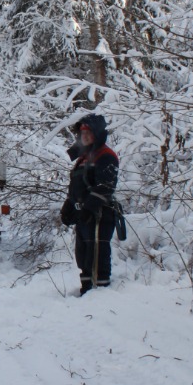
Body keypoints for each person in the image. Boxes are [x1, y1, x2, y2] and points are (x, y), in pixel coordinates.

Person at [60, 113, 119, 296]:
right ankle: (86, 291)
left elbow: (105, 186)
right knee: (83, 256)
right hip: (83, 215)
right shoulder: (83, 158)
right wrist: (69, 206)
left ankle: (100, 293)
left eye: (89, 133)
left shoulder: (106, 156)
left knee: (97, 255)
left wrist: (90, 207)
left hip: (100, 215)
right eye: (82, 133)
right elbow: (76, 187)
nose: (84, 136)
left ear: (98, 134)